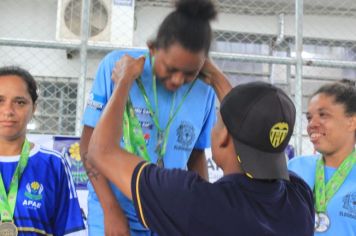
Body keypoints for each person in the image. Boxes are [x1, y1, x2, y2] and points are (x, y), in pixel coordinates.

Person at [86, 56, 315, 236]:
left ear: (224, 136)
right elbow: (252, 127)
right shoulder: (299, 198)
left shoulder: (195, 202)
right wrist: (216, 77)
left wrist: (123, 81)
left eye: (217, 121)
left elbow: (101, 151)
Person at [80, 0, 218, 234]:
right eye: (170, 68)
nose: (177, 81)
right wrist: (111, 210)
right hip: (114, 210)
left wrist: (200, 213)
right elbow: (88, 145)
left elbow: (196, 155)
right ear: (153, 48)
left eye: (189, 74)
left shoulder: (205, 90)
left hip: (168, 214)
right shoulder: (116, 65)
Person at [0, 66, 85, 235]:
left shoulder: (54, 164)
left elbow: (71, 231)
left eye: (20, 102)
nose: (8, 111)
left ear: (34, 108)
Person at [288, 80, 356, 235]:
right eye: (309, 117)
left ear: (352, 122)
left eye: (323, 115)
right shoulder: (294, 168)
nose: (312, 124)